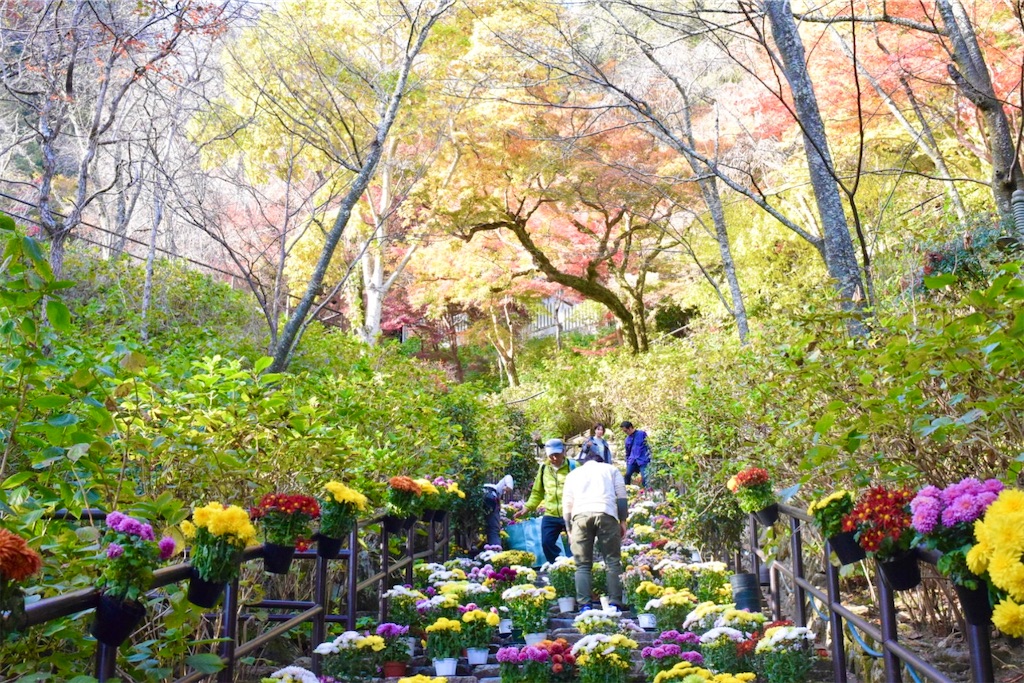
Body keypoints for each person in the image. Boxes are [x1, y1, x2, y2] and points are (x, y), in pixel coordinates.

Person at [562, 450, 628, 611]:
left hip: (580, 516)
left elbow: (567, 503)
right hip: (606, 513)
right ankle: (615, 603)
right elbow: (621, 497)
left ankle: (585, 605)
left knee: (582, 565)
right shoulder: (611, 470)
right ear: (602, 461)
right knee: (612, 561)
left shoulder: (574, 474)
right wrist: (623, 521)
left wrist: (569, 529)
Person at [524, 439, 577, 564]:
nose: (553, 457)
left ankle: (576, 568)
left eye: (557, 454)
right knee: (547, 543)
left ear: (564, 452)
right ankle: (558, 565)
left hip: (571, 513)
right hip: (551, 513)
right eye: (550, 454)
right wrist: (527, 507)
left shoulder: (573, 466)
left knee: (576, 544)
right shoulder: (544, 469)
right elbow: (537, 492)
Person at [482, 475, 514, 548]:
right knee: (493, 528)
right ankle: (495, 550)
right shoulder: (497, 488)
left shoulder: (479, 487)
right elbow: (508, 476)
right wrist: (509, 487)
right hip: (490, 498)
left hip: (475, 498)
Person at [620, 420, 651, 488]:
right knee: (627, 475)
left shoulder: (642, 434)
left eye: (626, 431)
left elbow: (648, 446)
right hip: (632, 460)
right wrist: (628, 461)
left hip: (643, 460)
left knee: (645, 479)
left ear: (630, 428)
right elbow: (627, 452)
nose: (625, 433)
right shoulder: (627, 439)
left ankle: (647, 492)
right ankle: (627, 490)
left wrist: (649, 458)